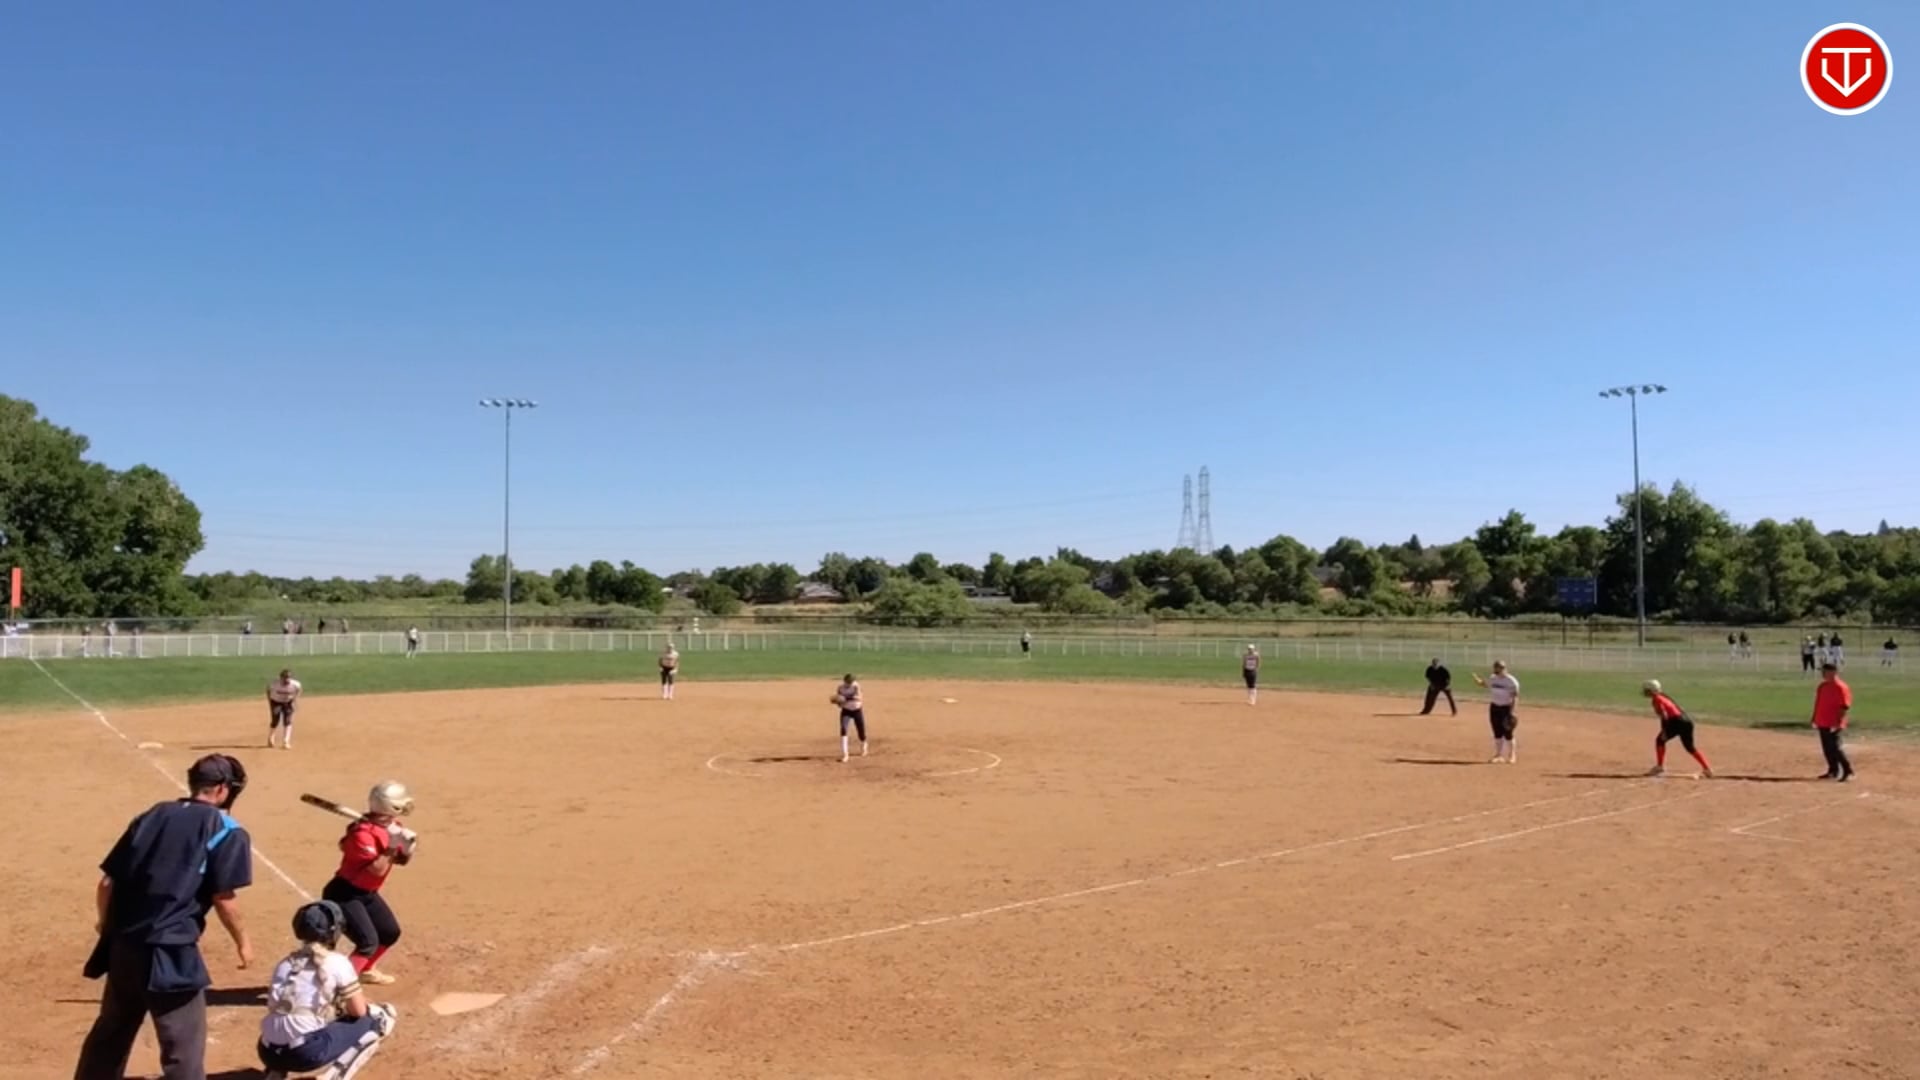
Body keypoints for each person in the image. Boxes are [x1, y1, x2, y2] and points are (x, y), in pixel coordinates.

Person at [74, 754, 256, 1080]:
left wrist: (105, 924)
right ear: (222, 789)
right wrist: (243, 943)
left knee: (111, 1032)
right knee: (182, 1047)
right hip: (171, 952)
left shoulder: (151, 815)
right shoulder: (226, 830)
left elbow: (106, 884)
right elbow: (224, 898)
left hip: (123, 945)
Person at [256, 900, 399, 1080]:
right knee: (378, 1019)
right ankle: (333, 1077)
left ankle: (275, 1072)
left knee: (290, 1019)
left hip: (267, 1051)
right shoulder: (337, 962)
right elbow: (359, 1011)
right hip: (304, 1053)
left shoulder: (284, 964)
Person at [319, 782, 417, 985]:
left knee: (389, 933)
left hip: (367, 893)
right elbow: (376, 869)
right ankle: (339, 986)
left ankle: (365, 970)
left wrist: (407, 848)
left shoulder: (393, 827)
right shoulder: (361, 834)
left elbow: (401, 861)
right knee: (367, 943)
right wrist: (391, 846)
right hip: (345, 894)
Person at [1641, 680, 1712, 779]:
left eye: (1647, 690)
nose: (1645, 692)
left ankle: (1660, 767)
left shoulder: (1657, 699)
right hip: (1686, 721)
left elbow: (1664, 715)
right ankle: (1707, 769)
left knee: (1660, 740)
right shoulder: (1663, 697)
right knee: (1689, 747)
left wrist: (1664, 731)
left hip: (1677, 722)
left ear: (1652, 690)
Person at [1811, 662, 1854, 782]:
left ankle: (1848, 770)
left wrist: (1838, 722)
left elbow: (1844, 706)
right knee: (1827, 748)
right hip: (1822, 721)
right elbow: (1818, 703)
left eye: (1824, 671)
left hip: (1833, 722)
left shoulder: (1841, 687)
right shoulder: (1822, 686)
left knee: (1836, 748)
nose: (1822, 674)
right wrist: (1814, 717)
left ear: (1833, 672)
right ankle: (1833, 770)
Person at [1471, 660, 1521, 764]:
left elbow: (1515, 697)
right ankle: (1498, 755)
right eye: (1496, 668)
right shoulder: (1493, 678)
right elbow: (1485, 684)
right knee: (1497, 732)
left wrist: (1512, 712)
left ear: (1504, 669)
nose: (1497, 670)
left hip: (1506, 708)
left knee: (1508, 733)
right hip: (1494, 707)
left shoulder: (1511, 681)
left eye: (1499, 668)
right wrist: (1477, 680)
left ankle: (1512, 755)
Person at [830, 674, 868, 762]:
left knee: (861, 731)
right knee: (843, 729)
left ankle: (864, 744)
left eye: (851, 682)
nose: (850, 683)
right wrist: (838, 701)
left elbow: (859, 698)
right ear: (845, 681)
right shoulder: (840, 688)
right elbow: (839, 702)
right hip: (846, 711)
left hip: (857, 710)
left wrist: (845, 698)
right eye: (848, 682)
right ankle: (845, 754)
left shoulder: (856, 686)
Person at [267, 668, 302, 750]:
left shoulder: (295, 684)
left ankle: (286, 741)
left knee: (287, 720)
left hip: (288, 702)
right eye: (284, 678)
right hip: (276, 702)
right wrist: (270, 702)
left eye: (288, 677)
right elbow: (268, 691)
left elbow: (299, 690)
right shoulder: (275, 684)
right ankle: (271, 738)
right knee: (275, 720)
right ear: (281, 678)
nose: (286, 679)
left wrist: (294, 700)